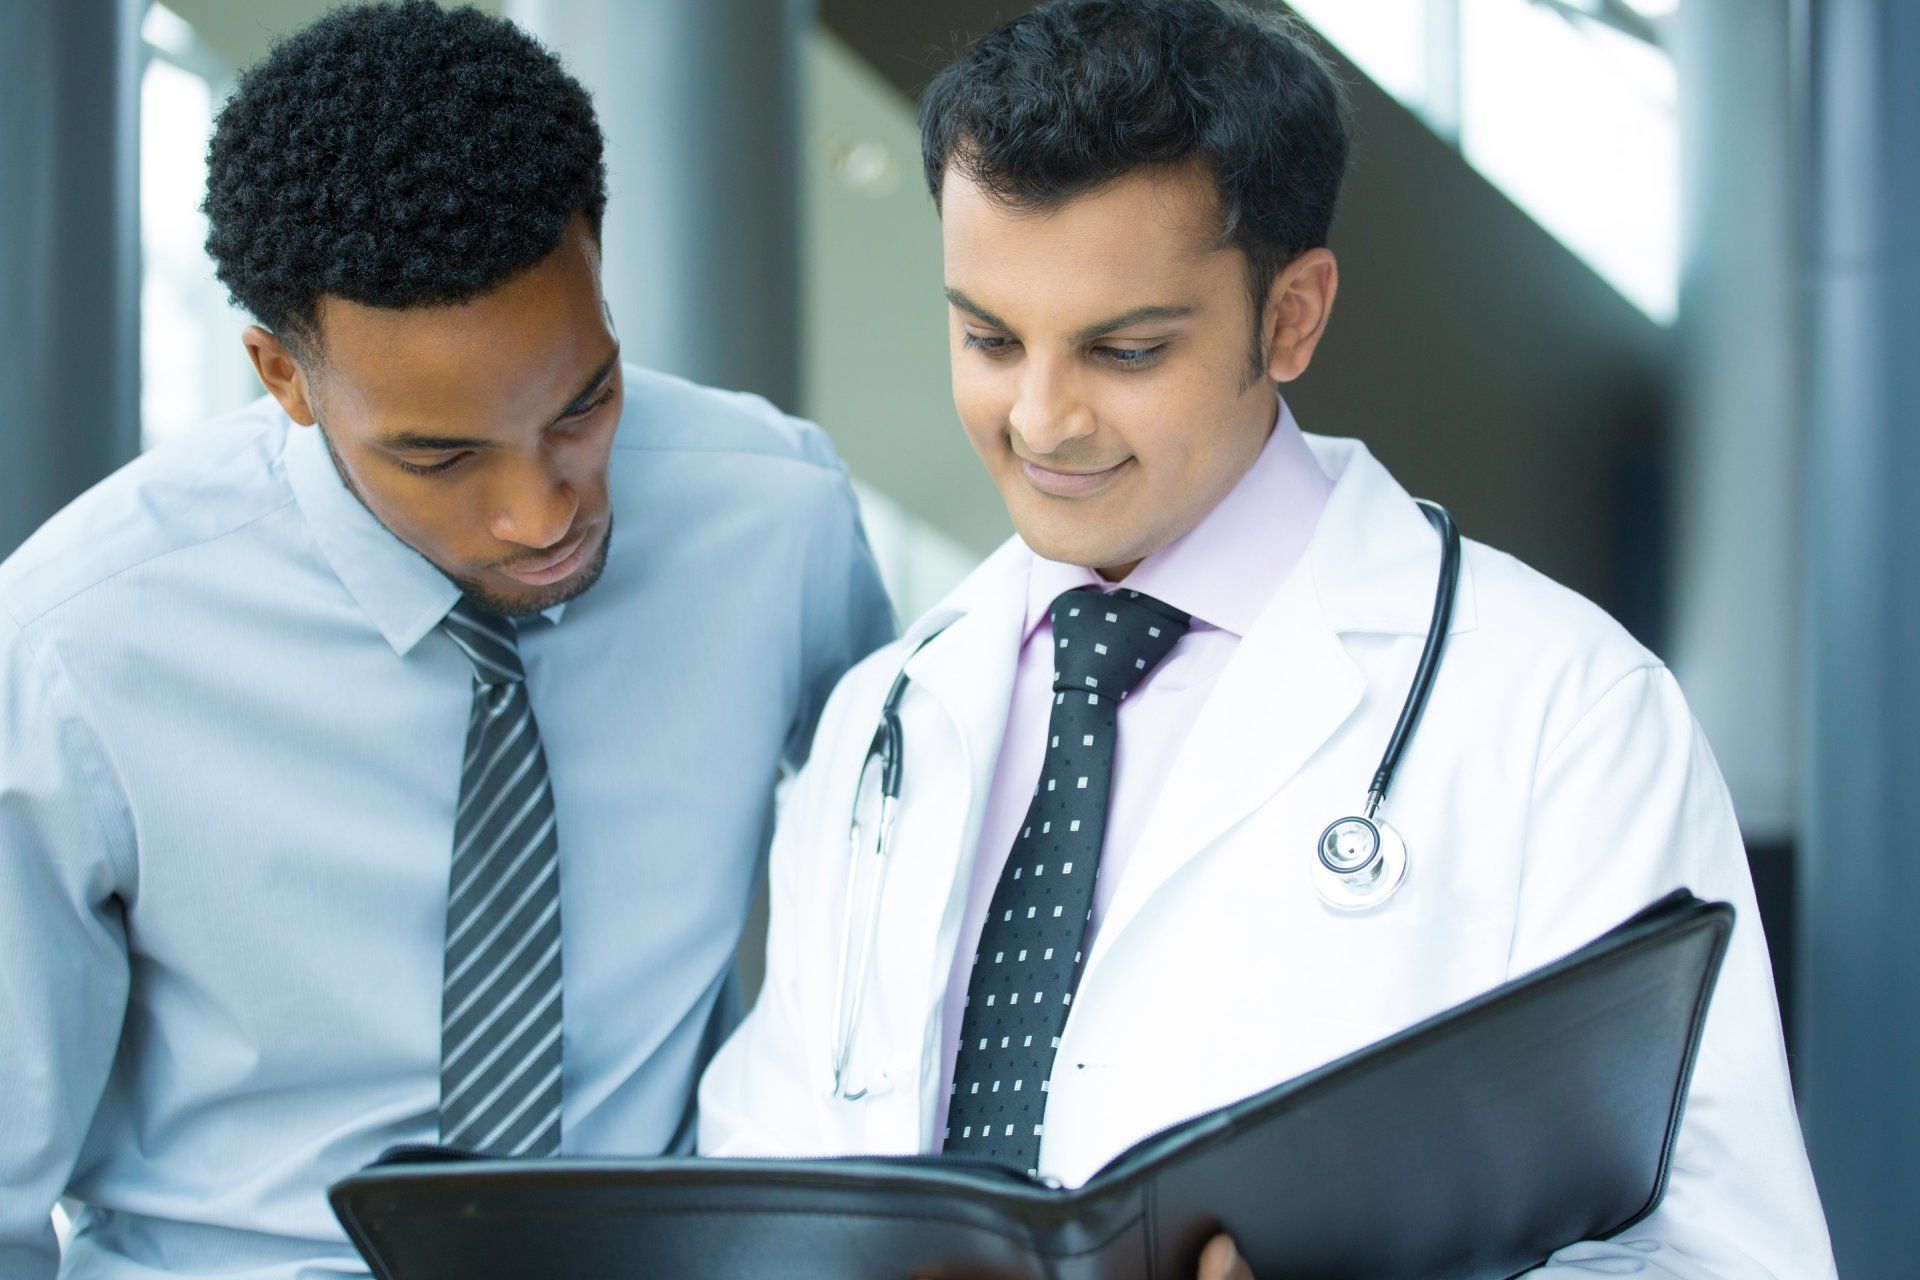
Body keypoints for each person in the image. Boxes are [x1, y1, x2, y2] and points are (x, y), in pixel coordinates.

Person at [698, 2, 1835, 1276]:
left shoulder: (1562, 711)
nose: (1041, 417)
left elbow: (1730, 1253)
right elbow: (770, 1164)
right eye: (988, 336)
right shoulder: (890, 713)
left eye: (1125, 350)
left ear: (1290, 317)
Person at [0, 4, 893, 1277]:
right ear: (283, 376)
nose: (544, 511)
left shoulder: (777, 516)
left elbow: (925, 903)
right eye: (440, 453)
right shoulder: (75, 646)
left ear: (598, 260)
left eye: (583, 403)